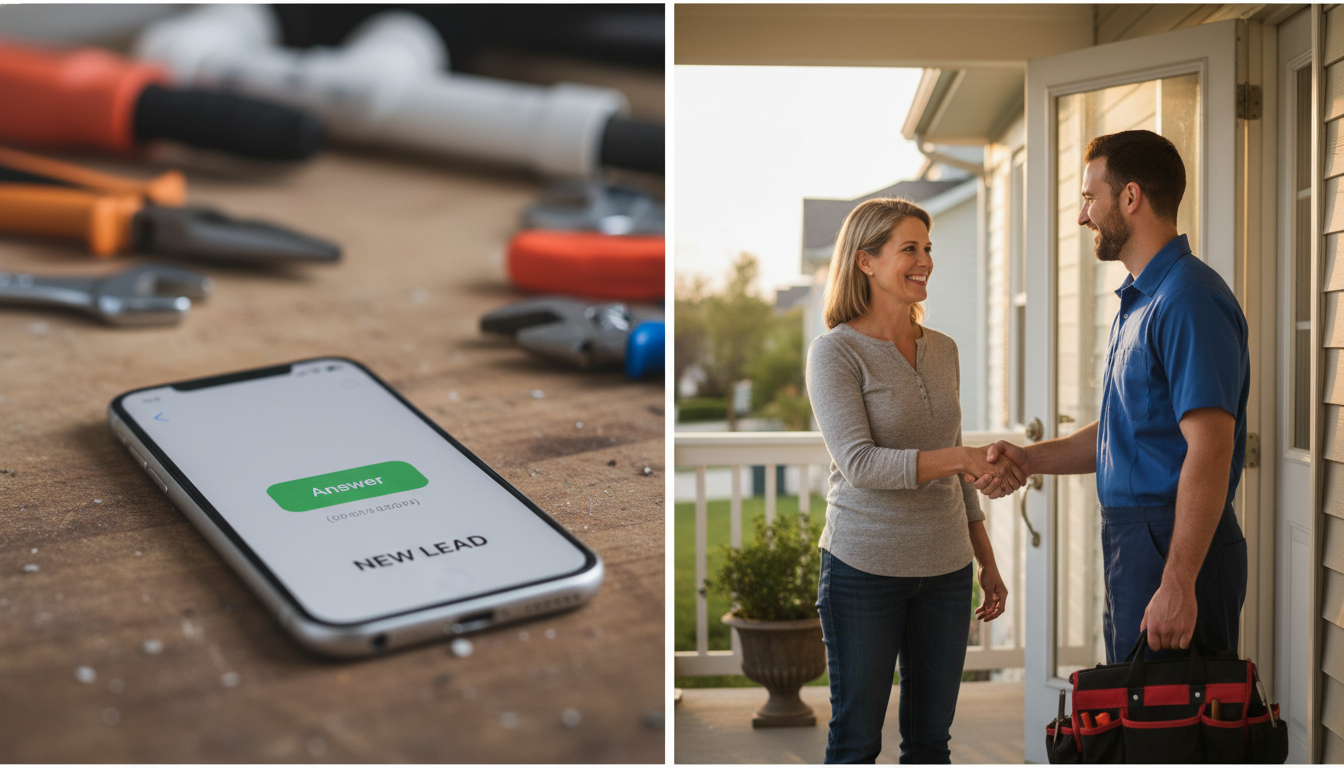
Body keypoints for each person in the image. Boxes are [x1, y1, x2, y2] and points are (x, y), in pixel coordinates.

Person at [973, 129, 1249, 663]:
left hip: (1172, 543)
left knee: (1174, 736)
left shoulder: (1188, 299)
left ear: (1130, 196)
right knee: (1135, 723)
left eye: (1088, 197)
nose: (1082, 216)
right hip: (1138, 543)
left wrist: (1178, 580)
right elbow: (1124, 430)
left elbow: (1211, 447)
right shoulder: (1141, 299)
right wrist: (1029, 459)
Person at [806, 197, 1021, 764]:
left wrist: (986, 558)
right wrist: (960, 458)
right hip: (863, 570)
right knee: (855, 742)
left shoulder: (943, 350)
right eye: (910, 249)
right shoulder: (835, 353)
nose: (925, 260)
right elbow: (861, 463)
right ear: (866, 261)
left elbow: (957, 470)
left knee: (931, 743)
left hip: (947, 573)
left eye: (928, 248)